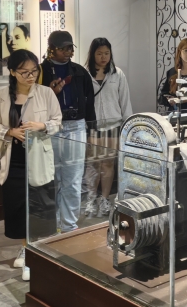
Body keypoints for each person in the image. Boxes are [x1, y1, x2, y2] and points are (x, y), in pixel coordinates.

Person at [0, 49, 62, 281]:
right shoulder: (1, 96)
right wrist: (9, 131)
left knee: (40, 205)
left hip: (39, 158)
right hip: (12, 161)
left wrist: (42, 126)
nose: (30, 76)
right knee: (18, 207)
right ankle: (25, 249)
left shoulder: (46, 93)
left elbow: (58, 122)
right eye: (24, 72)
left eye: (34, 71)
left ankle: (36, 251)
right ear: (12, 72)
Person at [39, 30, 96, 231]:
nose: (68, 52)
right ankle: (53, 223)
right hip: (50, 127)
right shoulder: (41, 72)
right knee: (52, 178)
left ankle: (69, 225)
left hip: (76, 125)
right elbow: (35, 102)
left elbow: (90, 102)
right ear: (51, 49)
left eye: (70, 48)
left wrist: (92, 129)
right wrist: (50, 92)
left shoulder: (79, 72)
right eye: (63, 48)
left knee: (73, 178)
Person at [85, 38, 133, 217]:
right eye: (99, 53)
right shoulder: (85, 74)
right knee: (93, 164)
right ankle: (91, 199)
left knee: (108, 163)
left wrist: (127, 124)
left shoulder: (117, 74)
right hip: (92, 126)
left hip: (113, 125)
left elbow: (125, 100)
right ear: (92, 54)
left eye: (106, 53)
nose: (103, 57)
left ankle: (104, 199)